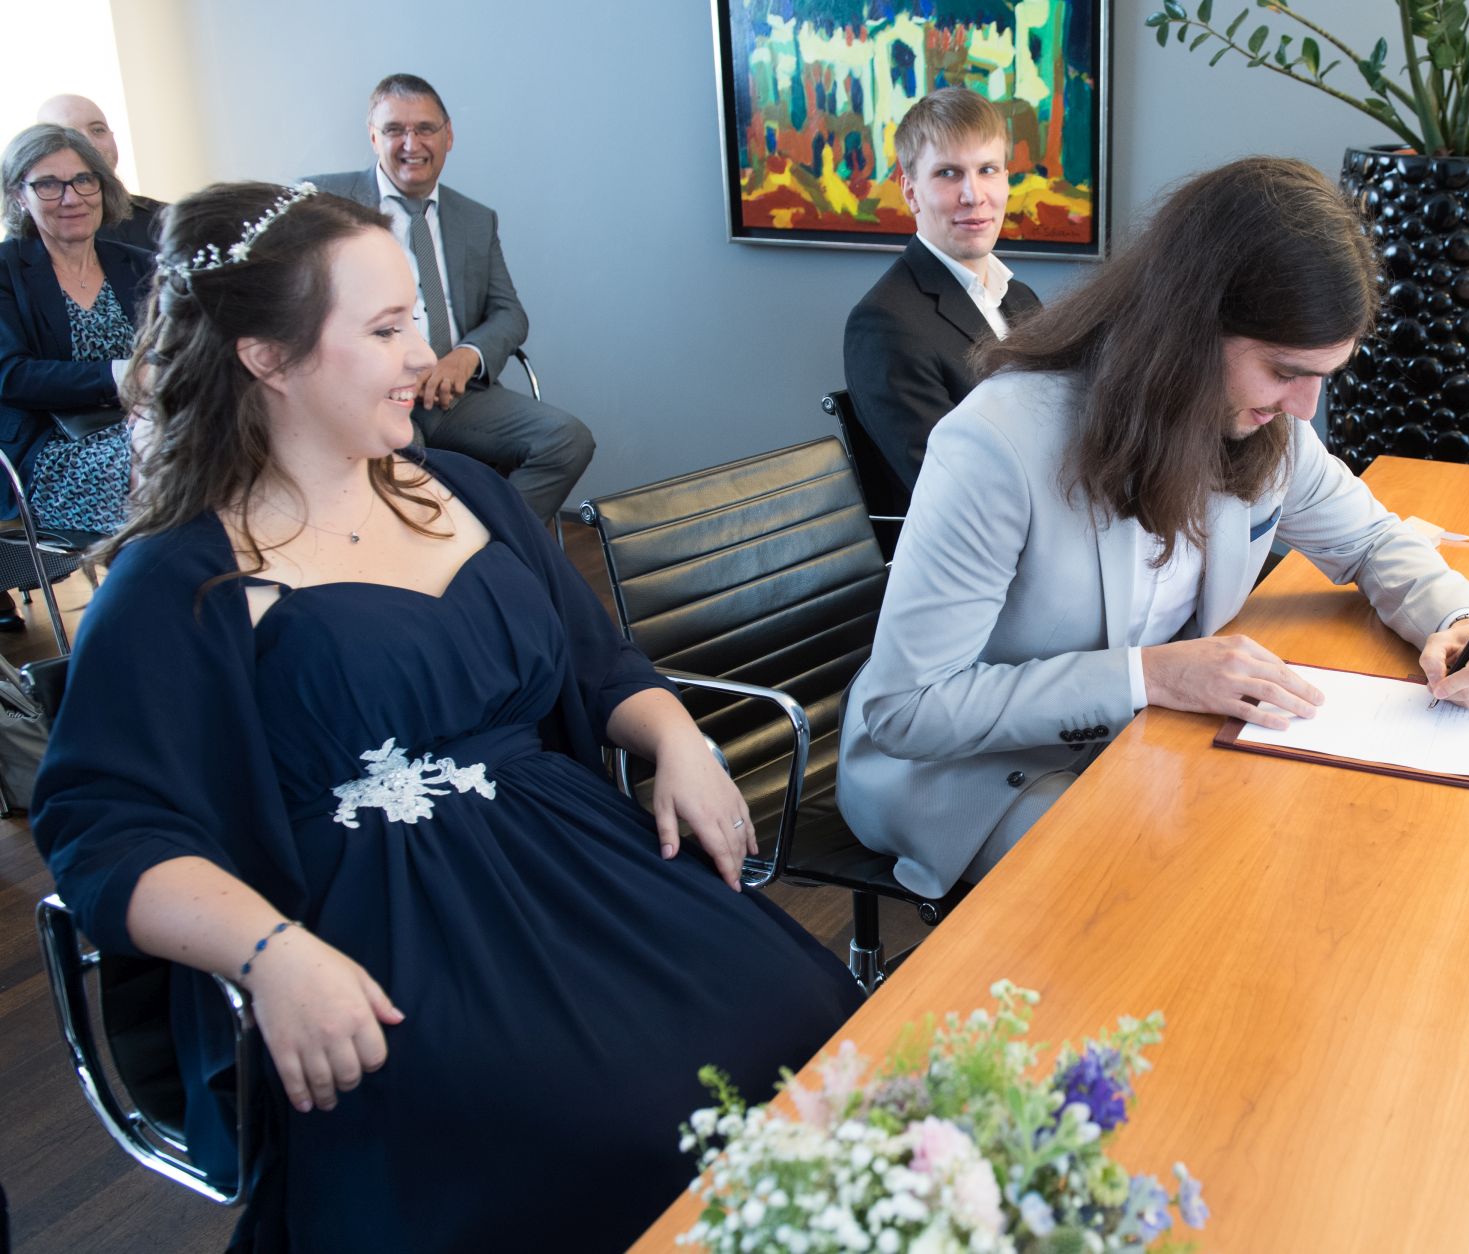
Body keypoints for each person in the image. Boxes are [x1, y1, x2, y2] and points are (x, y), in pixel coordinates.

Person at [30, 181, 860, 1251]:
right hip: (383, 927)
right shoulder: (180, 578)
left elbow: (599, 661)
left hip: (573, 861)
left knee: (809, 1017)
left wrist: (677, 739)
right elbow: (104, 833)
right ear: (267, 356)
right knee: (616, 1124)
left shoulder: (465, 489)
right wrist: (271, 954)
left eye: (415, 319)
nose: (424, 356)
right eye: (385, 329)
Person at [836, 157, 1469, 900]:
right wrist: (1151, 675)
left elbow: (1373, 541)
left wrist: (1456, 623)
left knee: (1313, 849)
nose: (1305, 409)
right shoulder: (1000, 442)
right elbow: (906, 710)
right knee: (1191, 888)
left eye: (1324, 376)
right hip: (971, 773)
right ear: (1190, 329)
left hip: (1145, 740)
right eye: (1285, 371)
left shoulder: (1268, 429)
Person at [309, 73, 595, 524]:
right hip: (372, 394)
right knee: (409, 463)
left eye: (425, 128)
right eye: (394, 130)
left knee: (567, 439)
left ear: (448, 136)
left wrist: (467, 356)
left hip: (456, 396)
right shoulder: (323, 202)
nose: (411, 144)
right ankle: (447, 554)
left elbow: (509, 313)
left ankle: (494, 544)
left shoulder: (476, 219)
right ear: (373, 137)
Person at [843, 87, 1041, 509]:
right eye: (949, 173)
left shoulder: (1022, 299)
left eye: (988, 170)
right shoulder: (884, 324)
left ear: (1006, 179)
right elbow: (955, 493)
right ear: (911, 192)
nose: (974, 195)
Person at [0, 124, 152, 629]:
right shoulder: (5, 272)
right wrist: (120, 375)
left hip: (147, 424)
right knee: (167, 463)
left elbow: (176, 353)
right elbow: (11, 375)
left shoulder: (140, 265)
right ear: (19, 195)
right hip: (50, 450)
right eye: (48, 184)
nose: (71, 197)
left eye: (84, 180)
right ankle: (147, 621)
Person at [36, 94, 165, 252]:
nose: (90, 143)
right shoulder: (22, 247)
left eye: (98, 130)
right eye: (71, 134)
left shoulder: (166, 219)